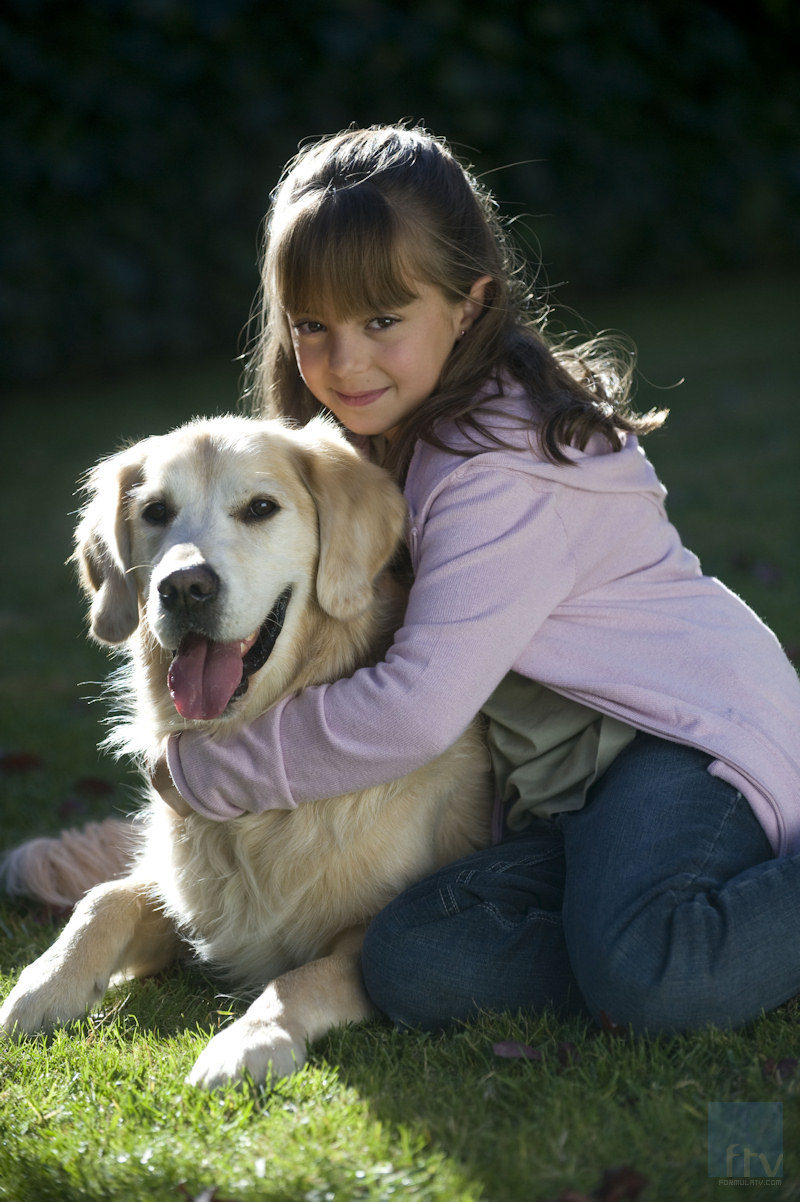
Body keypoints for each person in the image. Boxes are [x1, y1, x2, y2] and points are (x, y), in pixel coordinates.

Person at [162, 123, 800, 1035]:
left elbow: (415, 711)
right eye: (314, 326)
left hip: (683, 747)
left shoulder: (492, 468)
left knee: (659, 975)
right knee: (412, 960)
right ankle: (625, 927)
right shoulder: (376, 447)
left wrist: (212, 770)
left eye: (383, 320)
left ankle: (661, 940)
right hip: (562, 800)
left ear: (470, 304)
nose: (344, 363)